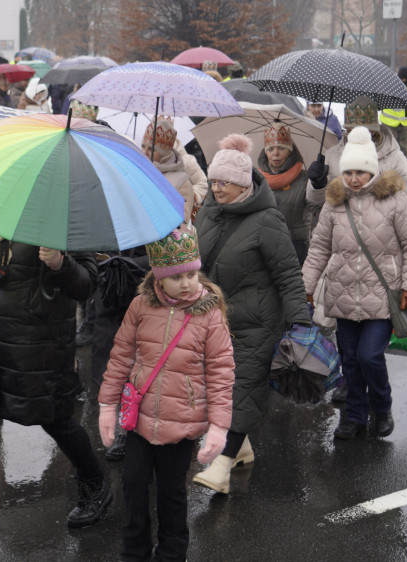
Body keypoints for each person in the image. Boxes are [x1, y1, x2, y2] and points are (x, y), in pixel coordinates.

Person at [0, 237, 110, 553]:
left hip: (36, 345)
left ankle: (94, 483)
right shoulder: (2, 212)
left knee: (55, 419)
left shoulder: (64, 220)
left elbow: (85, 286)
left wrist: (60, 263)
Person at [99, 225, 234, 562]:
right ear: (159, 276)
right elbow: (121, 356)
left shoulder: (209, 315)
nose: (187, 283)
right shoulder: (140, 307)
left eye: (192, 273)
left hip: (182, 421)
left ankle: (172, 552)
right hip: (140, 417)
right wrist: (106, 403)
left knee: (172, 493)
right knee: (133, 484)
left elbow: (221, 373)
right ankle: (134, 550)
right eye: (177, 276)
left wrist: (218, 427)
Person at [192, 134, 311, 493]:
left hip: (257, 323)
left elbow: (289, 274)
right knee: (215, 388)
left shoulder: (267, 220)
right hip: (215, 320)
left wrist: (300, 324)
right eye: (213, 181)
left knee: (240, 389)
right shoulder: (210, 212)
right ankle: (240, 448)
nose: (217, 187)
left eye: (224, 182)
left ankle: (222, 466)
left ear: (243, 183)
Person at [302, 127, 407, 440]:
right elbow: (318, 248)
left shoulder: (395, 201)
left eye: (360, 172)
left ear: (372, 171)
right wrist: (305, 287)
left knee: (370, 356)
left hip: (382, 298)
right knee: (351, 362)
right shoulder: (334, 204)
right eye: (348, 172)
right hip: (343, 296)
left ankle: (381, 406)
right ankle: (355, 416)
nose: (353, 178)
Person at [308, 97, 407, 205]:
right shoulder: (332, 155)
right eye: (349, 131)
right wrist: (317, 185)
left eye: (359, 131)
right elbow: (315, 202)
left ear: (373, 131)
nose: (353, 136)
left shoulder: (395, 159)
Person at [258, 124, 318, 265]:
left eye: (282, 148)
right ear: (265, 152)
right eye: (271, 149)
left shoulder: (304, 178)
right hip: (263, 245)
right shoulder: (257, 178)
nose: (276, 153)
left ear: (290, 151)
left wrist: (318, 186)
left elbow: (317, 208)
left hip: (295, 246)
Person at [141, 116, 196, 221]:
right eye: (143, 146)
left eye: (151, 149)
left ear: (164, 152)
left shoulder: (182, 182)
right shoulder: (139, 171)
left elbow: (182, 220)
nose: (144, 152)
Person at [379, 67, 407, 161]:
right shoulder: (387, 87)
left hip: (406, 127)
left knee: (404, 153)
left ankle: (404, 174)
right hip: (389, 125)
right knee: (387, 151)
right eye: (401, 78)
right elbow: (377, 103)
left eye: (405, 79)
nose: (403, 80)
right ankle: (387, 174)